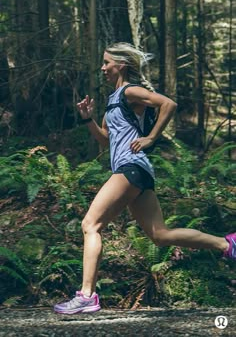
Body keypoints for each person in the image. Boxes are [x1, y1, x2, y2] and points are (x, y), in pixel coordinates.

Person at [54, 42, 236, 314]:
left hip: (130, 167)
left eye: (107, 62)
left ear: (121, 65)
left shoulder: (130, 91)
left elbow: (168, 104)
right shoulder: (113, 99)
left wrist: (151, 137)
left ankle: (87, 295)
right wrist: (87, 119)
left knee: (90, 224)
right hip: (136, 171)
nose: (102, 68)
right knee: (160, 235)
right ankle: (227, 244)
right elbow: (106, 142)